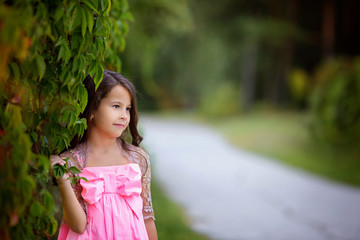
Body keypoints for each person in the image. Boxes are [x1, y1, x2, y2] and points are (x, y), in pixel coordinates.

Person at [50, 70, 158, 240]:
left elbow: (147, 218)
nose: (124, 115)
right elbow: (77, 226)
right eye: (116, 106)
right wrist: (63, 180)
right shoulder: (73, 162)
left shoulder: (137, 159)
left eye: (128, 109)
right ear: (92, 108)